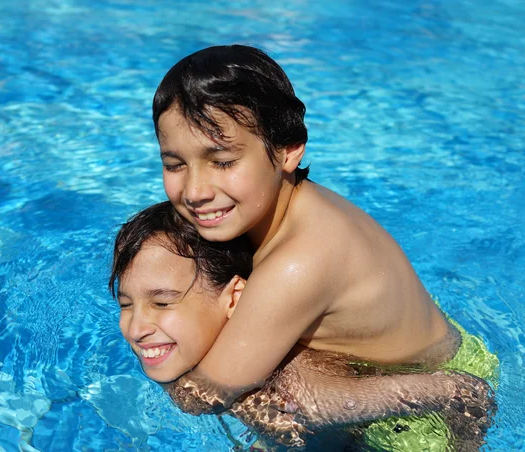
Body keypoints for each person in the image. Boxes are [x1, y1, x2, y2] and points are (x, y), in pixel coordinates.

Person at [150, 44, 499, 447]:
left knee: (271, 394)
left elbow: (201, 396)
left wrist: (157, 347)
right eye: (175, 164)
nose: (194, 190)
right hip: (430, 355)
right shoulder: (293, 205)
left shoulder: (298, 262)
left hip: (425, 416)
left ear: (288, 151)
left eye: (223, 161)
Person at [109, 202, 495, 450]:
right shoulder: (227, 365)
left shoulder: (297, 387)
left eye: (162, 302)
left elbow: (465, 392)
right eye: (125, 304)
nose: (137, 326)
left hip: (436, 386)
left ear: (235, 298)